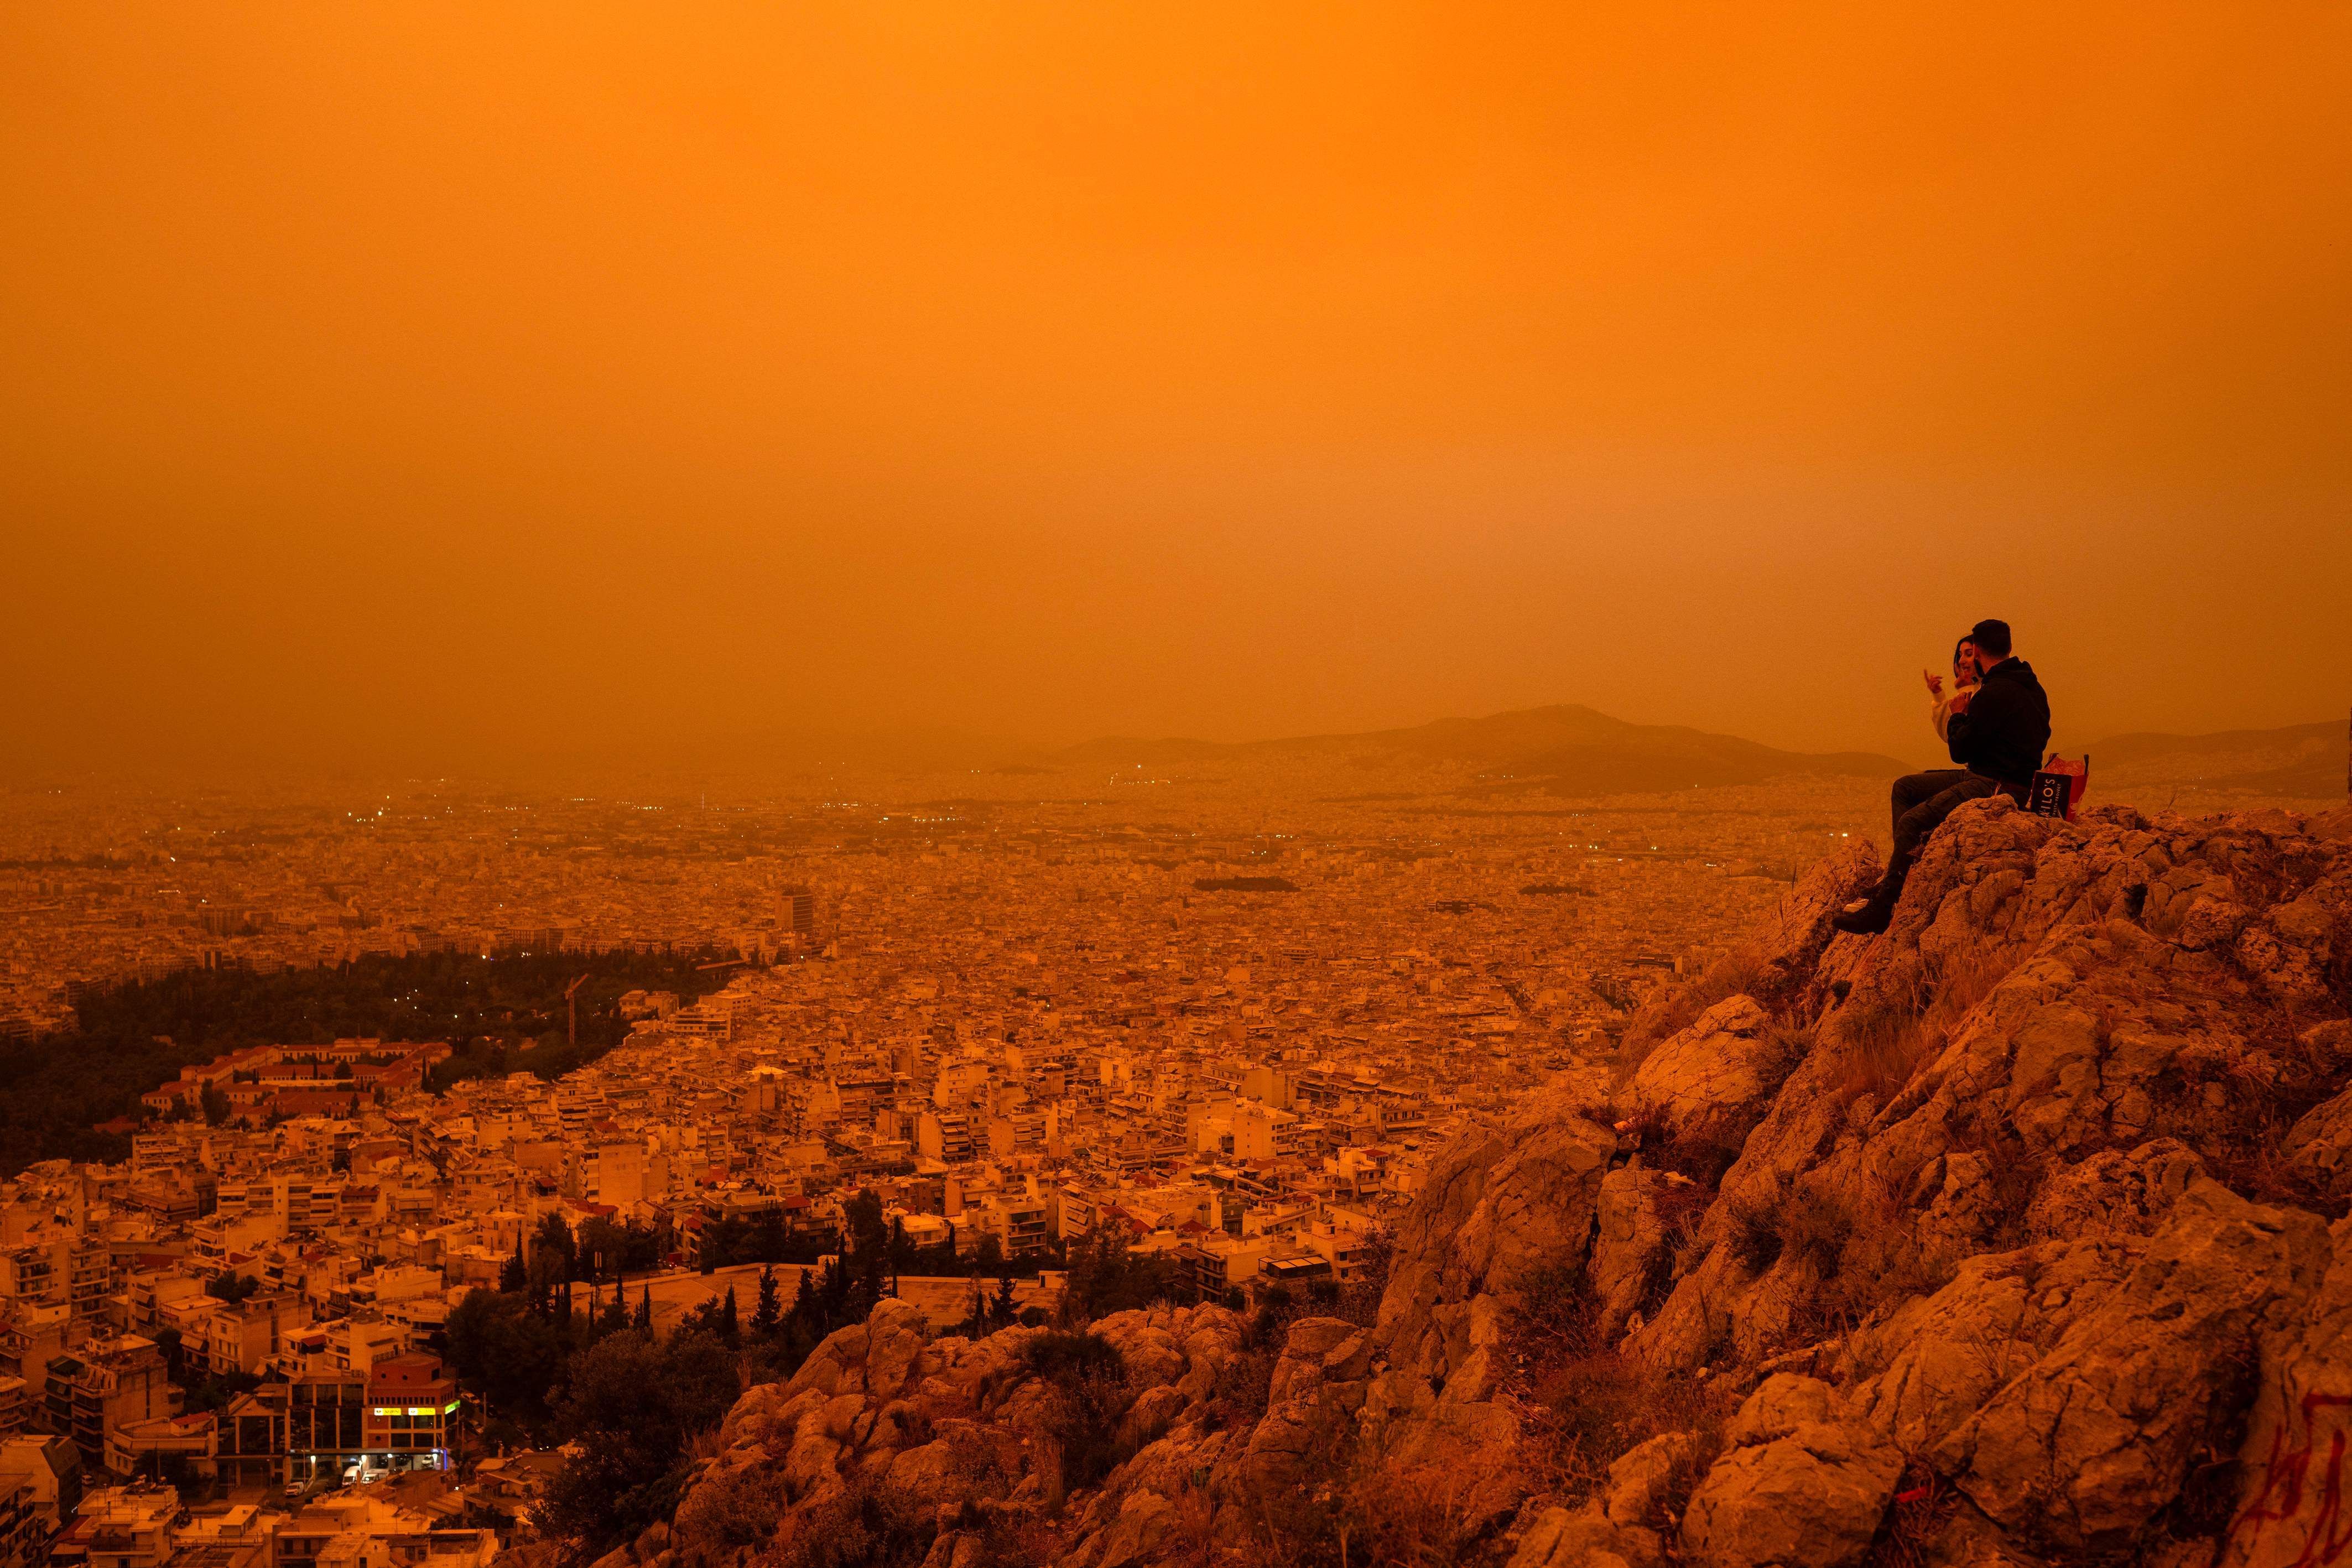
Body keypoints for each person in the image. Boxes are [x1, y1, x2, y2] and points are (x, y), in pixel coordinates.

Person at [1834, 618, 2051, 935]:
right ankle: (1901, 872)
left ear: (1978, 652)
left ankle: (1882, 910)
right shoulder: (2033, 688)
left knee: (1912, 822)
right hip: (1998, 777)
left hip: (1994, 785)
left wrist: (1959, 715)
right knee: (1905, 788)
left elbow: (1959, 750)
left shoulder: (1995, 692)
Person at [1926, 637, 1980, 744]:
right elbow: (1949, 735)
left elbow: (1967, 738)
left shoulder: (1990, 688)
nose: (1961, 661)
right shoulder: (1974, 687)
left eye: (1969, 654)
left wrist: (1966, 689)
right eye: (1960, 655)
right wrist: (1939, 697)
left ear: (1981, 656)